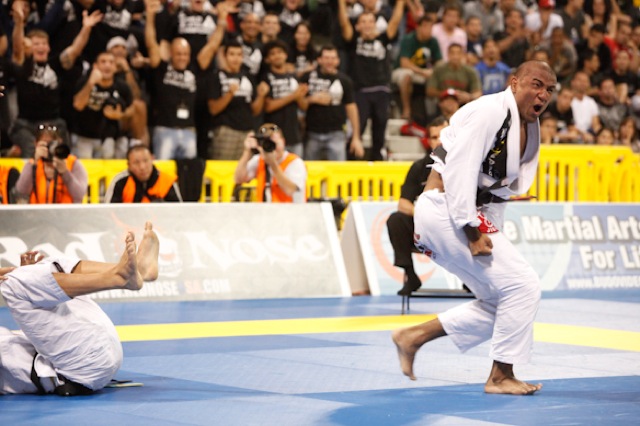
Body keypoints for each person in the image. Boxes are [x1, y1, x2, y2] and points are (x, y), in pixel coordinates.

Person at [392, 61, 557, 395]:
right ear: (514, 83)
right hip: (444, 209)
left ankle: (413, 337)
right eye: (536, 85)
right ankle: (500, 376)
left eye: (550, 90)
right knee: (523, 286)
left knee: (502, 301)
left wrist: (492, 218)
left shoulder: (525, 124)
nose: (543, 95)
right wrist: (471, 229)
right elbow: (459, 170)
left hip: (463, 210)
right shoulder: (489, 111)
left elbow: (491, 187)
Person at [0, 222, 159, 395]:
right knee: (13, 283)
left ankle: (135, 271)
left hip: (95, 355)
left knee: (44, 268)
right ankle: (119, 277)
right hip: (81, 368)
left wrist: (30, 275)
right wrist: (23, 280)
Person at [387, 117, 447, 296]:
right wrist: (424, 214)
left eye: (443, 136)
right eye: (434, 137)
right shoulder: (419, 167)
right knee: (396, 220)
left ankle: (471, 279)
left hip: (454, 223)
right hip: (426, 227)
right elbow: (403, 204)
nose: (439, 141)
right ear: (428, 141)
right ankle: (410, 275)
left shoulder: (464, 163)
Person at [299, 45, 364, 161]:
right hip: (312, 132)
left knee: (339, 171)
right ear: (319, 60)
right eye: (326, 58)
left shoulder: (345, 80)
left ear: (338, 61)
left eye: (333, 58)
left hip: (337, 133)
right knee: (309, 172)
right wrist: (311, 99)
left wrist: (356, 137)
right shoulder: (308, 77)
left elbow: (352, 109)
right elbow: (299, 105)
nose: (330, 61)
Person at [14, 125, 88, 204]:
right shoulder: (32, 164)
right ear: (36, 144)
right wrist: (34, 164)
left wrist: (65, 173)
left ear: (60, 143)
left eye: (51, 143)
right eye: (45, 144)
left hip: (67, 214)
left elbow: (80, 194)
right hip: (38, 214)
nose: (49, 148)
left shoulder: (73, 163)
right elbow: (21, 192)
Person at [234, 123, 307, 203]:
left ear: (283, 142)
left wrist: (273, 164)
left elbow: (290, 190)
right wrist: (247, 152)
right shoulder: (260, 160)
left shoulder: (294, 162)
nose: (273, 149)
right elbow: (238, 179)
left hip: (291, 211)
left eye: (274, 143)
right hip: (266, 211)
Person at [104, 145, 183, 203]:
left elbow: (178, 212)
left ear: (152, 159)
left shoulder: (167, 181)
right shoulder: (119, 181)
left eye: (145, 161)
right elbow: (109, 211)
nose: (142, 167)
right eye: (136, 162)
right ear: (129, 165)